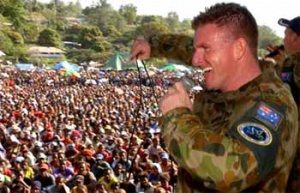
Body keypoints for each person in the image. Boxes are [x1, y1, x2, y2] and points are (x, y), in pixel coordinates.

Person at [131, 2, 298, 193]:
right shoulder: (230, 79)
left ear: (239, 49)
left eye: (205, 48)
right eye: (196, 50)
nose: (195, 60)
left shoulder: (272, 102)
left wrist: (177, 117)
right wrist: (153, 45)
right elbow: (190, 49)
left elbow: (232, 169)